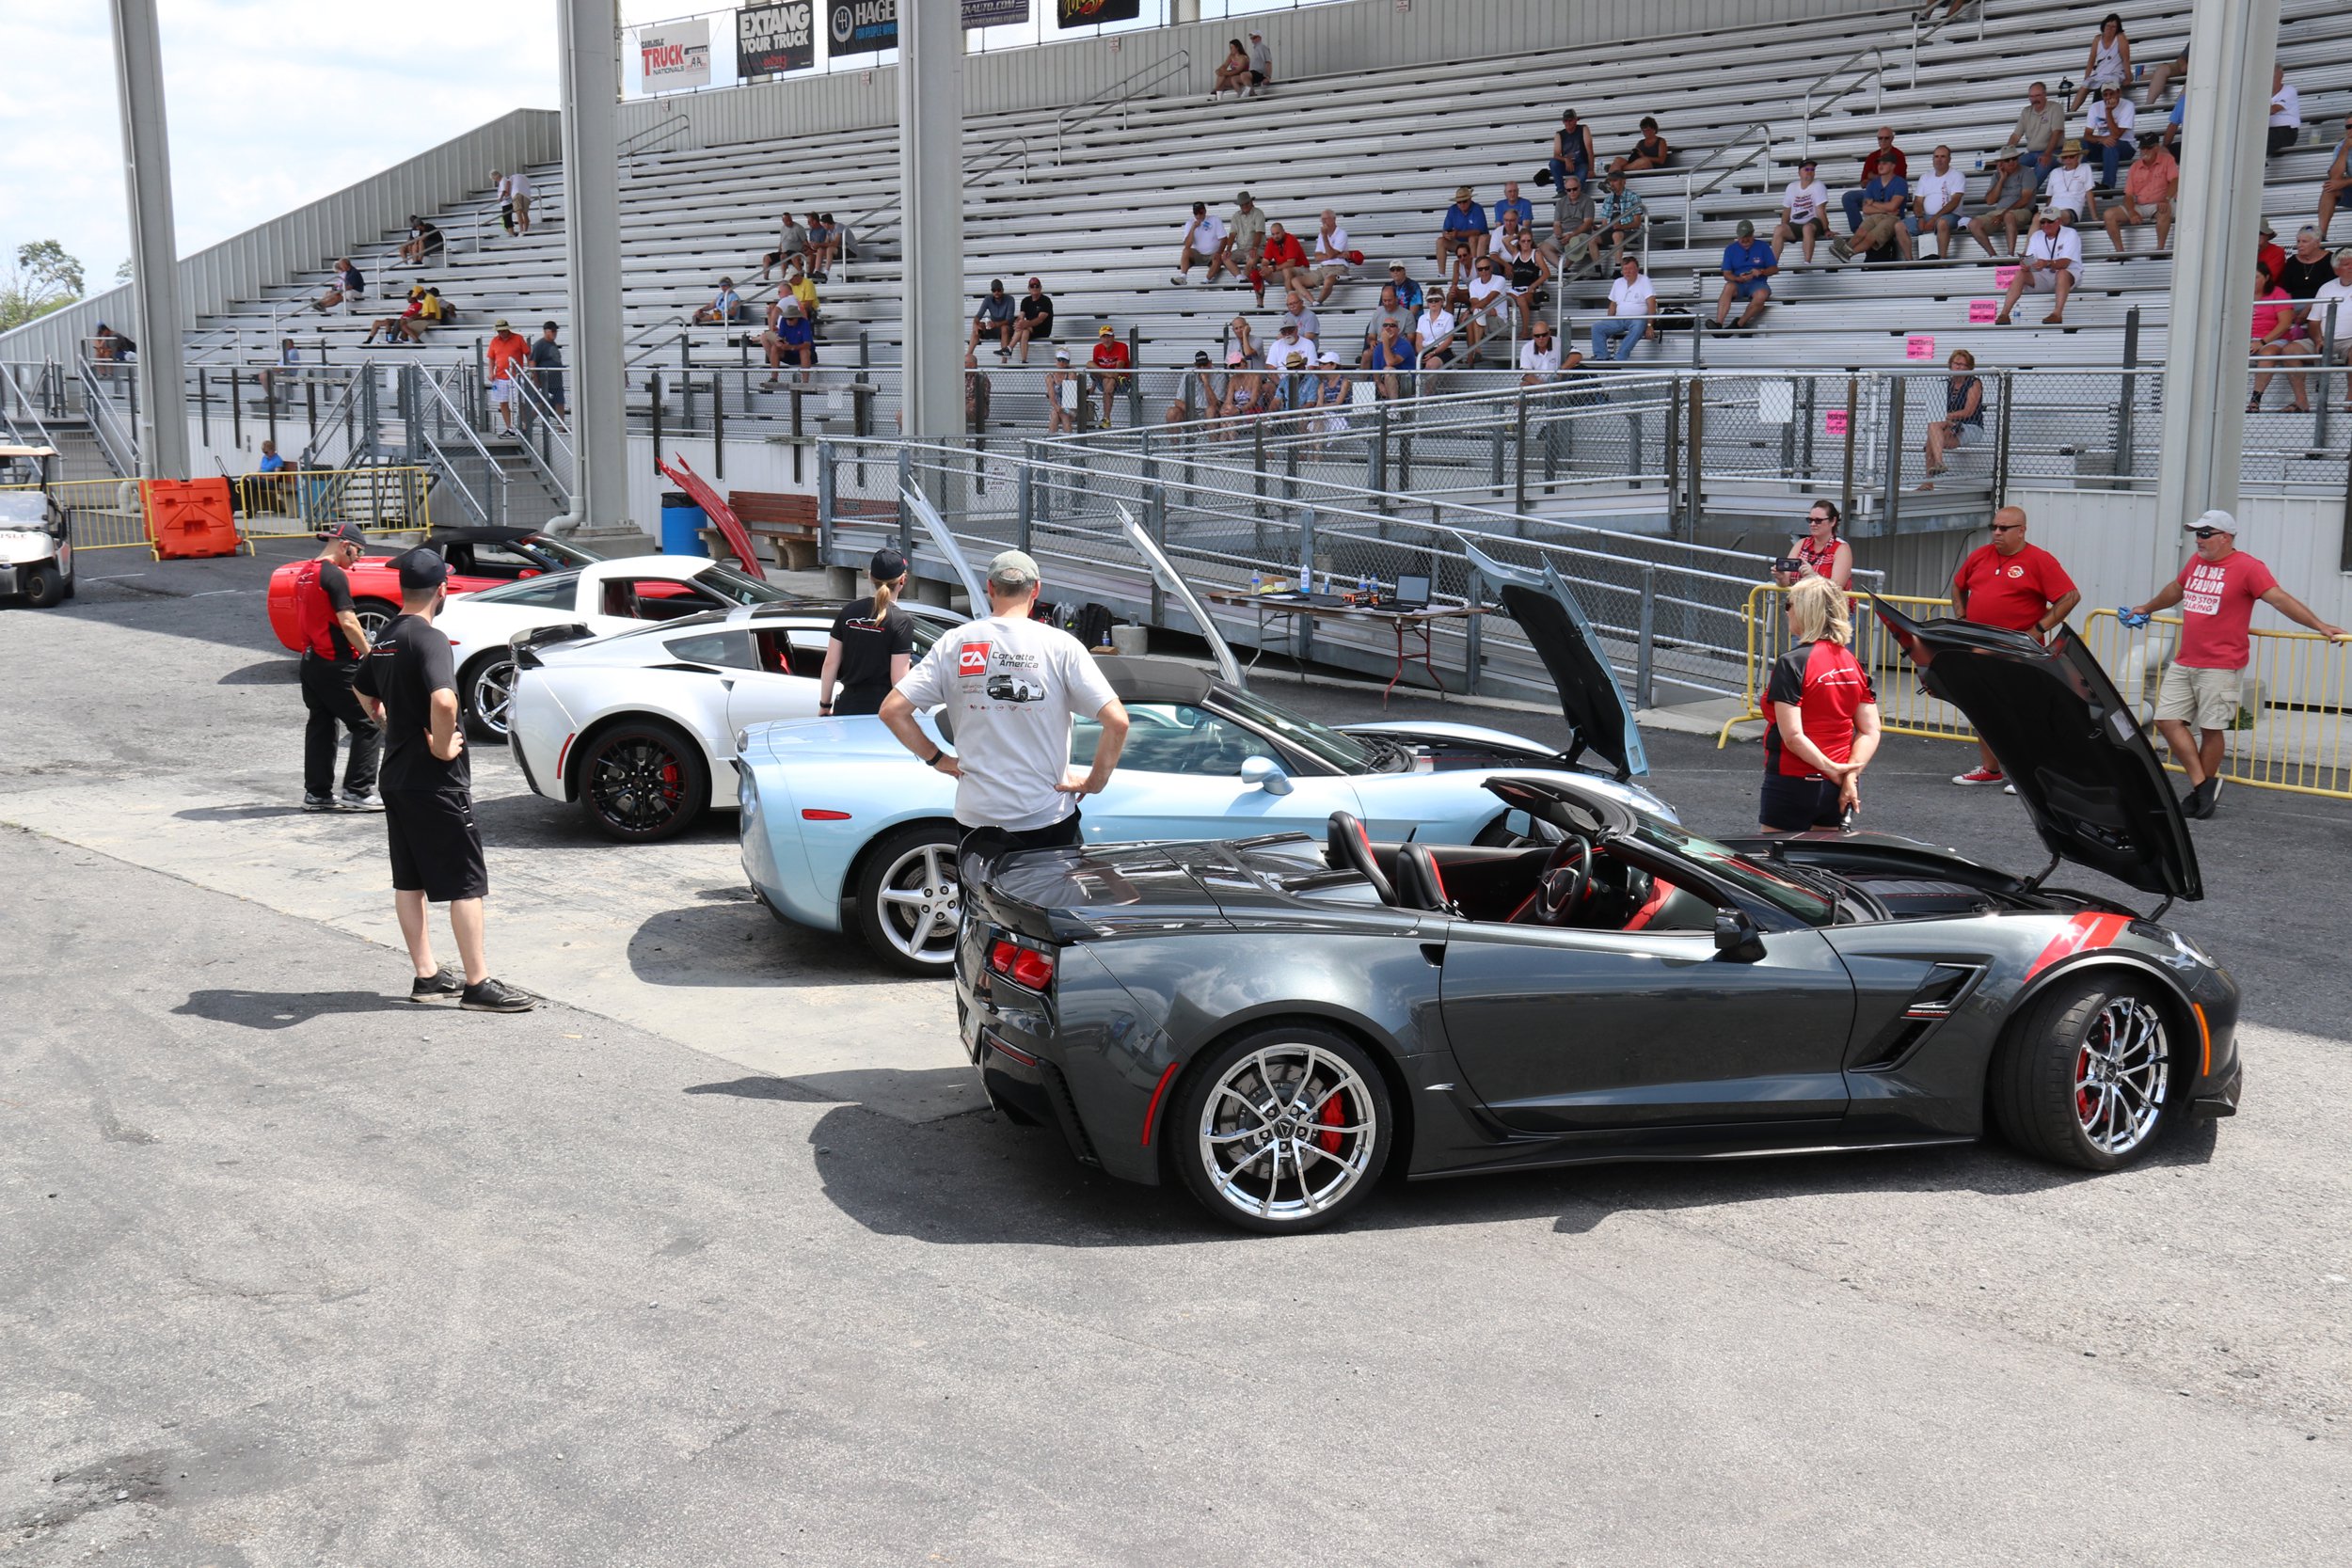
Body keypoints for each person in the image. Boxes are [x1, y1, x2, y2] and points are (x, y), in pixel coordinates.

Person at [354, 548, 532, 1011]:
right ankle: (477, 984)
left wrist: (384, 720)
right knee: (465, 882)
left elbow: (361, 687)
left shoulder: (388, 635)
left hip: (395, 776)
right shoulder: (429, 638)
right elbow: (447, 702)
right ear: (442, 590)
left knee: (409, 881)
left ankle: (427, 975)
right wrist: (437, 744)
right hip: (435, 781)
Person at [881, 549, 1131, 859]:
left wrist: (939, 760)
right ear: (1036, 590)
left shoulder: (955, 642)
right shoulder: (1061, 645)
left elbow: (892, 710)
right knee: (1049, 906)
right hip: (1046, 816)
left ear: (990, 588)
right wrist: (1094, 783)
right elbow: (1117, 721)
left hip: (978, 818)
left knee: (982, 906)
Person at [2125, 511, 2347, 817]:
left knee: (2211, 728)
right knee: (2167, 721)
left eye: (2205, 534)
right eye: (2197, 533)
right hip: (2186, 659)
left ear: (2225, 538)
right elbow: (2176, 589)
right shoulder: (2195, 563)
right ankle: (2203, 784)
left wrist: (2319, 625)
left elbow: (2280, 599)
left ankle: (2199, 794)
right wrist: (2147, 607)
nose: (2198, 539)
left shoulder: (2248, 568)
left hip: (2221, 664)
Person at [1947, 506, 2079, 786]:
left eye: (2004, 528)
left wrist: (2036, 630)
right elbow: (1958, 586)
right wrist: (1962, 619)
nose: (1996, 532)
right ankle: (1990, 769)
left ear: (2021, 530)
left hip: (2019, 652)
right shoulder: (1980, 555)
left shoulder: (2039, 560)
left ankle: (2032, 774)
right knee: (1981, 706)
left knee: (2022, 712)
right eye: (1994, 527)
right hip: (1981, 649)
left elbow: (2069, 596)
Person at [1759, 576, 1881, 832]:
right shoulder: (1852, 662)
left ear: (1805, 611)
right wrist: (1848, 776)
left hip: (1793, 780)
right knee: (1824, 865)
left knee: (1773, 865)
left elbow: (1792, 735)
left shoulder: (1792, 663)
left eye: (1789, 605)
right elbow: (1871, 730)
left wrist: (1835, 771)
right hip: (1839, 783)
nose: (1787, 612)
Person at [292, 521, 382, 813]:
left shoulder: (306, 573)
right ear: (345, 545)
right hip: (335, 662)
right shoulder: (334, 575)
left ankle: (317, 794)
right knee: (368, 723)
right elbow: (347, 621)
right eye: (358, 552)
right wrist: (369, 654)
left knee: (321, 723)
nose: (358, 559)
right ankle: (357, 791)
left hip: (311, 661)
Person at [819, 549, 914, 720]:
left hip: (847, 706)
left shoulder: (849, 611)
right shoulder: (901, 621)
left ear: (870, 577)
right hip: (882, 711)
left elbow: (830, 664)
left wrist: (825, 705)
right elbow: (899, 680)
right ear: (903, 580)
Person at [2247, 261, 2313, 414]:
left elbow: (2285, 324)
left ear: (2267, 277)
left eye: (2256, 277)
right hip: (2246, 338)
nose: (2252, 280)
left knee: (2267, 354)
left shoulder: (2278, 293)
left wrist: (2262, 342)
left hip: (2272, 338)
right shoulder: (2241, 294)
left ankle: (2255, 400)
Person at [1994, 208, 2080, 325]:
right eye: (2042, 222)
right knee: (2020, 273)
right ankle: (2004, 314)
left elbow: (2065, 263)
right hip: (2044, 274)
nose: (2045, 225)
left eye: (2050, 221)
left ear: (2059, 221)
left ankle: (2057, 314)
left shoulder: (2070, 233)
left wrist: (2047, 263)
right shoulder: (2036, 236)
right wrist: (2026, 265)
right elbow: (2030, 260)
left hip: (2068, 274)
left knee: (2062, 273)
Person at [2103, 133, 2179, 255]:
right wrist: (2132, 212)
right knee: (2109, 214)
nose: (2144, 151)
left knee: (2165, 210)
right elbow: (2128, 195)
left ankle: (2160, 250)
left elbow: (2175, 181)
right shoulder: (2135, 166)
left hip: (2161, 202)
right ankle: (2120, 253)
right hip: (2140, 204)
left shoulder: (2168, 160)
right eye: (2143, 148)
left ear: (2156, 148)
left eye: (2148, 148)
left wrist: (2166, 199)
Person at [1919, 349, 1984, 491]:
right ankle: (1937, 466)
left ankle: (1930, 479)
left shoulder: (1974, 383)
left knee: (1932, 435)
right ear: (1950, 364)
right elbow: (1934, 409)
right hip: (1947, 425)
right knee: (1934, 430)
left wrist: (1947, 417)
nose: (1959, 367)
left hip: (1971, 426)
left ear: (1969, 368)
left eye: (1963, 365)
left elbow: (1968, 412)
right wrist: (1944, 418)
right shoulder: (1943, 384)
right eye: (1956, 364)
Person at [1833, 160, 1911, 263]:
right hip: (1878, 215)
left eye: (1884, 163)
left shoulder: (1900, 182)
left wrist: (1873, 203)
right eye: (1879, 164)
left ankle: (1848, 254)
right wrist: (1886, 210)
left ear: (1892, 166)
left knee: (1871, 236)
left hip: (1893, 218)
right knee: (1860, 231)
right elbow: (1866, 209)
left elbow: (1893, 206)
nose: (1880, 166)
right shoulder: (1873, 184)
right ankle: (1844, 250)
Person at [1968, 148, 2035, 258]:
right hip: (1999, 212)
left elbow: (2025, 199)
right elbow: (1990, 201)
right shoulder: (1997, 176)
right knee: (1973, 224)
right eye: (2007, 160)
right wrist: (2002, 179)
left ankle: (2010, 255)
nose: (2012, 162)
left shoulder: (2027, 172)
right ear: (2001, 163)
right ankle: (1993, 256)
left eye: (2014, 159)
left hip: (2022, 211)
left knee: (2008, 216)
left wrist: (2003, 214)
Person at [1772, 499, 1852, 591]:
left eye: (1818, 521)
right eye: (1810, 520)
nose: (1813, 524)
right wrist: (1781, 577)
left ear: (1833, 521)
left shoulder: (1841, 548)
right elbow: (1785, 582)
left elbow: (1837, 587)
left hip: (1827, 605)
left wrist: (1814, 577)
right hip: (1799, 603)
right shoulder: (1801, 544)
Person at [1841, 127, 1909, 236]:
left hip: (1891, 193)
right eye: (1880, 138)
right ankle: (1858, 230)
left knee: (1891, 200)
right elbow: (1863, 182)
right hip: (1873, 192)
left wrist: (1873, 177)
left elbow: (1896, 180)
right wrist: (1880, 178)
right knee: (1848, 197)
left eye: (1886, 138)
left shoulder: (1898, 155)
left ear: (1892, 139)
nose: (1882, 141)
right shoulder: (1872, 156)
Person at [1590, 254, 1656, 363]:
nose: (1627, 271)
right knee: (1597, 327)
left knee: (1638, 325)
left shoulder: (1644, 280)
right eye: (1625, 269)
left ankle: (1620, 358)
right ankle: (1601, 357)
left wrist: (1649, 325)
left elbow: (1652, 303)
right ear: (1621, 270)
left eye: (1630, 268)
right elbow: (1613, 304)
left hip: (1638, 319)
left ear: (1637, 269)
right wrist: (1608, 320)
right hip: (1620, 319)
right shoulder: (1618, 282)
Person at [1713, 218, 1777, 328]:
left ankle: (1739, 323)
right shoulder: (1730, 249)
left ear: (1752, 234)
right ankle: (1719, 323)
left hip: (1757, 282)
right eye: (1742, 237)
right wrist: (1738, 279)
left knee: (1761, 295)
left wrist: (1761, 271)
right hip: (1738, 283)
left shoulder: (1763, 247)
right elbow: (1727, 274)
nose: (1745, 240)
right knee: (1728, 286)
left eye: (1747, 237)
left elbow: (1774, 269)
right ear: (1738, 236)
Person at [1908, 145, 1967, 259]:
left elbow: (1954, 202)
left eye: (1943, 156)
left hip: (1951, 216)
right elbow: (1918, 201)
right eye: (1936, 156)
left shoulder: (1957, 175)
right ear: (1932, 159)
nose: (1939, 160)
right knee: (1899, 226)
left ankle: (1942, 260)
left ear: (1949, 159)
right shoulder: (1925, 176)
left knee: (1942, 223)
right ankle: (1908, 262)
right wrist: (1920, 218)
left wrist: (1934, 219)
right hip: (1926, 217)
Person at [2069, 12, 2132, 112]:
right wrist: (2087, 76)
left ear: (2117, 29)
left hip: (2115, 73)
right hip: (2100, 73)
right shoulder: (2097, 39)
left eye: (2113, 27)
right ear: (2104, 25)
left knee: (2107, 87)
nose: (2110, 28)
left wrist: (2128, 77)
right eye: (2108, 25)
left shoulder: (2120, 38)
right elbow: (2091, 60)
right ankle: (2071, 112)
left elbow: (2126, 59)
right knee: (2085, 86)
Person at [2314, 249, 2352, 411]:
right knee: (2291, 350)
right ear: (2336, 270)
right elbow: (2313, 321)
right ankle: (2302, 402)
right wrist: (2318, 340)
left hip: (2349, 341)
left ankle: (2350, 399)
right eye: (2346, 264)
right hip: (2324, 338)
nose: (2351, 267)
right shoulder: (2326, 288)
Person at [2010, 81, 2065, 192]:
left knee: (2043, 164)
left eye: (2038, 95)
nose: (2035, 99)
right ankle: (2012, 195)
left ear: (2045, 95)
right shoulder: (2026, 112)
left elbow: (2056, 133)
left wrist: (2047, 154)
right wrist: (2006, 155)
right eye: (2031, 96)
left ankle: (2026, 196)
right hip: (2032, 153)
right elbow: (2016, 136)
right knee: (2009, 165)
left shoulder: (2055, 108)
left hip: (2055, 152)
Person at [1774, 159, 1832, 263]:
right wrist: (1784, 227)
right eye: (1806, 169)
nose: (1810, 171)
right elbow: (1787, 210)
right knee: (1779, 229)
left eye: (1812, 169)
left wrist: (1826, 229)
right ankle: (1773, 264)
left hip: (1813, 221)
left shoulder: (1818, 185)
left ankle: (1807, 263)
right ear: (1799, 172)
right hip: (1795, 224)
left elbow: (1820, 211)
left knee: (1807, 228)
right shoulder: (1791, 187)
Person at [1594, 161, 1647, 267]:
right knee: (1592, 239)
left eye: (1615, 180)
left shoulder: (1633, 197)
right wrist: (1597, 228)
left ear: (1623, 182)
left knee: (1617, 234)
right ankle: (1597, 269)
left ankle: (1618, 267)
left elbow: (1637, 223)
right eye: (1610, 181)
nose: (1612, 184)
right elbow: (1605, 224)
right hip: (1612, 231)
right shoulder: (1608, 199)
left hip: (1630, 232)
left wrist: (1621, 226)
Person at [2085, 83, 2137, 191]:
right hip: (2104, 145)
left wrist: (2108, 111)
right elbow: (2087, 135)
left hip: (2125, 146)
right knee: (2081, 145)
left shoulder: (2128, 105)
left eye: (2111, 94)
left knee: (2111, 145)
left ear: (2118, 92)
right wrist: (2101, 139)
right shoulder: (2095, 107)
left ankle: (2107, 186)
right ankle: (2081, 183)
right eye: (2105, 95)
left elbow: (2116, 135)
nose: (2108, 97)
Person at [1498, 230, 1550, 334]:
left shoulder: (1536, 254)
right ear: (1519, 242)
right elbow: (1505, 240)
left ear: (1532, 241)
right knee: (1501, 298)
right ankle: (1504, 330)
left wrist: (1534, 285)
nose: (1526, 243)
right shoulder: (1516, 253)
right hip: (1515, 290)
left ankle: (1525, 330)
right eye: (1523, 241)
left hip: (1529, 290)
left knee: (1521, 300)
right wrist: (1517, 236)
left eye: (1528, 241)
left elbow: (1546, 273)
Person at [1436, 186, 1490, 286]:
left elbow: (1478, 231)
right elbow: (1445, 229)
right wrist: (1447, 235)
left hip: (1476, 242)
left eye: (1464, 201)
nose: (1462, 204)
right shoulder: (1452, 210)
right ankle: (1441, 274)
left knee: (1472, 239)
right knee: (1440, 241)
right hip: (1460, 243)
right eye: (1459, 202)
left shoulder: (1477, 208)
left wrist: (1457, 234)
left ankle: (1474, 273)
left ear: (1470, 199)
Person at [759, 298, 818, 388]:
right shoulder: (783, 321)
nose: (788, 321)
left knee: (804, 351)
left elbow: (807, 344)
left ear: (797, 318)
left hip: (802, 352)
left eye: (791, 319)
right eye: (787, 318)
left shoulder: (804, 323)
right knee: (775, 347)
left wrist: (790, 347)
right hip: (790, 351)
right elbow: (780, 337)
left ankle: (805, 382)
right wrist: (779, 342)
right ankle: (774, 378)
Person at [1548, 174, 1598, 277]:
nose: (1572, 192)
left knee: (1576, 242)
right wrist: (1559, 235)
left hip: (1580, 232)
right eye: (1569, 190)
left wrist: (1571, 235)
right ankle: (1562, 268)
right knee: (1543, 247)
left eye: (1574, 189)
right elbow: (1556, 224)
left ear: (1580, 188)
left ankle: (1564, 268)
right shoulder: (1560, 203)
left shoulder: (1588, 201)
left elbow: (1587, 224)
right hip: (1564, 232)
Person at [485, 319, 531, 435]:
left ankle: (524, 425)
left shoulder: (518, 338)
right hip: (500, 376)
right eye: (499, 331)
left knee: (520, 401)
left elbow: (528, 354)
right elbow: (491, 358)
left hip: (515, 376)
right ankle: (509, 427)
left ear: (507, 329)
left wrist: (529, 369)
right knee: (503, 402)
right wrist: (491, 372)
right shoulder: (494, 341)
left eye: (503, 331)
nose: (501, 333)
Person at [2041, 141, 2099, 226]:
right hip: (2052, 211)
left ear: (2078, 157)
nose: (2068, 160)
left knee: (2055, 217)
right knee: (2036, 219)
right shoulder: (2054, 172)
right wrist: (2045, 212)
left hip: (2071, 209)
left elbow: (2089, 193)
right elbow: (2050, 197)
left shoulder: (2085, 168)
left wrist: (2095, 218)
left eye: (2071, 156)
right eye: (2065, 157)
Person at [1172, 199, 1230, 285]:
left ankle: (1206, 280)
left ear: (1205, 211)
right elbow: (1187, 245)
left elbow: (1224, 239)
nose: (1198, 216)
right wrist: (1193, 229)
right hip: (1198, 254)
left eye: (1201, 213)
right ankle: (1183, 276)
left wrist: (1219, 252)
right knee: (1185, 251)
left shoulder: (1214, 219)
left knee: (1218, 257)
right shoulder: (1190, 223)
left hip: (1212, 254)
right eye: (1196, 213)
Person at [1304, 210, 1353, 303]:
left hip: (1338, 267)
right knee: (1296, 281)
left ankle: (1318, 302)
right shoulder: (1321, 235)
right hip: (1324, 268)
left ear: (1334, 219)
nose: (1323, 222)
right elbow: (1317, 257)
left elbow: (1330, 254)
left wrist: (1325, 237)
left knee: (1328, 281)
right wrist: (1336, 255)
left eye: (1326, 219)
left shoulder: (1341, 233)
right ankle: (1313, 301)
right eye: (1322, 219)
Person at [1360, 317, 1415, 400]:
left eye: (1392, 325)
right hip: (1385, 380)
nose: (1388, 328)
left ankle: (1394, 409)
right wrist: (1379, 385)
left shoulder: (1405, 345)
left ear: (1398, 330)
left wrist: (1385, 341)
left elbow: (1390, 362)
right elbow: (1376, 371)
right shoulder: (1378, 348)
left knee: (1388, 369)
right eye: (1385, 325)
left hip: (1406, 383)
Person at [1089, 324, 1131, 429]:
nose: (1106, 339)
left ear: (1113, 337)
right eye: (1104, 336)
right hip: (1105, 380)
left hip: (1122, 382)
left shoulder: (1122, 346)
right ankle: (1106, 419)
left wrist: (1109, 376)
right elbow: (1094, 367)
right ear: (1100, 338)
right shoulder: (1097, 348)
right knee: (1089, 364)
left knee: (1109, 381)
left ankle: (1106, 417)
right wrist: (1092, 388)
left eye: (1108, 336)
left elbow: (1118, 369)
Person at [1257, 221, 1309, 305]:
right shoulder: (1271, 241)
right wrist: (1264, 268)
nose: (1275, 236)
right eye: (1273, 234)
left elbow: (1291, 263)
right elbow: (1265, 260)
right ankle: (1260, 305)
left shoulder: (1291, 239)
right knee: (1257, 273)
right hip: (1284, 271)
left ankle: (1291, 301)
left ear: (1283, 231)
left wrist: (1272, 268)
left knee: (1286, 270)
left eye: (1278, 233)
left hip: (1302, 269)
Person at [1549, 108, 1597, 193]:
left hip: (1581, 164)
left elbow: (1590, 151)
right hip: (1567, 165)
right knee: (1553, 163)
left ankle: (1576, 193)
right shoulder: (1559, 134)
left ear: (1575, 120)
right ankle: (1560, 191)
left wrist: (1591, 169)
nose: (1568, 123)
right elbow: (1556, 155)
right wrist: (1566, 160)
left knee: (1583, 170)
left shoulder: (1583, 129)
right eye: (1565, 121)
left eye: (1570, 120)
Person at [362, 287, 428, 346]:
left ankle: (390, 339)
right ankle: (368, 341)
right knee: (378, 322)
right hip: (401, 319)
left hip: (406, 321)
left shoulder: (420, 305)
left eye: (408, 297)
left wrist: (412, 318)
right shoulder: (411, 305)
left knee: (391, 322)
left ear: (413, 297)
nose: (407, 298)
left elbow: (421, 314)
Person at [1009, 277, 1054, 364]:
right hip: (1030, 328)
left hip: (1043, 329)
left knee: (1024, 328)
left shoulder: (1046, 301)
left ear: (1040, 287)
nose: (1035, 288)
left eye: (1037, 286)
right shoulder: (1025, 301)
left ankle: (1009, 348)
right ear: (1029, 288)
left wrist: (1026, 323)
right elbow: (1021, 316)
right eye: (1032, 286)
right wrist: (1018, 322)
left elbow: (1040, 319)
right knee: (1024, 330)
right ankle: (1024, 360)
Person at [1227, 191, 1267, 284]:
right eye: (1242, 205)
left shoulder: (1258, 213)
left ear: (1251, 202)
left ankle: (1244, 280)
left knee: (1251, 257)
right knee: (1225, 257)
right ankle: (1240, 278)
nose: (1244, 206)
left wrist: (1254, 248)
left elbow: (1259, 232)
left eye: (1246, 203)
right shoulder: (1236, 216)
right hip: (1241, 249)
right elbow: (1232, 234)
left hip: (1257, 247)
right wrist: (1228, 249)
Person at [968, 278, 1016, 357]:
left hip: (1006, 328)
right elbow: (978, 315)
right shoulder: (988, 299)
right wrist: (975, 324)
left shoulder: (1010, 299)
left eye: (998, 290)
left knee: (1004, 328)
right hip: (993, 327)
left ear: (1002, 290)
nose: (996, 292)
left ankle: (1004, 360)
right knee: (978, 326)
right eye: (994, 290)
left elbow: (1009, 319)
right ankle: (968, 356)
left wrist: (996, 324)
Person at [760, 212, 811, 281]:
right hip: (784, 251)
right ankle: (765, 279)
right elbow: (782, 242)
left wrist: (805, 252)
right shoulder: (782, 228)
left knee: (783, 256)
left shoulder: (798, 228)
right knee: (766, 257)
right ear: (783, 221)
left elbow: (805, 242)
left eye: (790, 220)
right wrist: (778, 251)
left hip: (795, 252)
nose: (789, 222)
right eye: (787, 221)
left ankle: (784, 277)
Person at [1411, 295, 1457, 372]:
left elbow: (1448, 341)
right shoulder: (1422, 318)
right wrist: (1421, 355)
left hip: (1442, 351)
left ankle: (1422, 383)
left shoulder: (1448, 317)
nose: (1433, 303)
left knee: (1431, 365)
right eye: (1430, 300)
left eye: (1436, 300)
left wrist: (1433, 353)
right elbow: (1419, 341)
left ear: (1442, 301)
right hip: (1424, 351)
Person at [530, 322, 566, 417]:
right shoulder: (540, 344)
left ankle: (561, 427)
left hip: (556, 381)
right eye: (552, 331)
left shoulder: (553, 343)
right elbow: (533, 362)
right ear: (546, 331)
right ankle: (527, 423)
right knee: (541, 403)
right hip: (545, 381)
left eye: (556, 331)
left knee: (560, 403)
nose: (555, 333)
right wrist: (536, 379)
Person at [2267, 64, 2300, 158]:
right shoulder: (2264, 92)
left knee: (2261, 140)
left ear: (2281, 75)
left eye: (2273, 75)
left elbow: (2273, 109)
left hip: (2286, 132)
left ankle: (2257, 163)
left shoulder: (2289, 90)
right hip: (2269, 131)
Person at [1045, 347, 1080, 435]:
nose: (1061, 362)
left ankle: (1063, 443)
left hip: (1071, 409)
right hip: (1057, 407)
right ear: (1056, 360)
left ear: (1068, 362)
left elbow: (1070, 400)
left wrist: (1061, 409)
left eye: (1064, 360)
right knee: (1055, 414)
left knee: (1064, 414)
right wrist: (1058, 408)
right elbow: (1052, 400)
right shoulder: (1050, 376)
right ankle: (1055, 443)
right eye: (1059, 360)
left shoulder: (1071, 374)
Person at [1518, 317, 1563, 385]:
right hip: (1537, 384)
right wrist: (1540, 385)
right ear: (1533, 336)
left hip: (1558, 382)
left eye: (1544, 335)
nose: (1541, 338)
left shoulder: (1559, 343)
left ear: (1549, 333)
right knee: (1523, 385)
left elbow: (1577, 355)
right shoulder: (1526, 348)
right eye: (1537, 336)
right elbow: (1525, 374)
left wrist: (1561, 369)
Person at [259, 336, 301, 405]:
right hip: (282, 372)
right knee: (264, 374)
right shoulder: (288, 352)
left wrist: (272, 370)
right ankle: (271, 395)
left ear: (291, 343)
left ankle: (272, 396)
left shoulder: (292, 353)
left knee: (264, 376)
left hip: (287, 373)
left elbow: (284, 367)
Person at [1209, 38, 1249, 102]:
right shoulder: (1231, 56)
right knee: (1221, 76)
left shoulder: (1243, 58)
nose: (1231, 49)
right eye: (1230, 47)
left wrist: (1224, 73)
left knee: (1223, 76)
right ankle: (1218, 98)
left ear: (1237, 48)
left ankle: (1217, 92)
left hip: (1240, 77)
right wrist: (1219, 70)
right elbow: (1225, 65)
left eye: (1232, 47)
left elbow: (1238, 71)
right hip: (1232, 75)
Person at [499, 166, 534, 237]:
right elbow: (529, 185)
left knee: (518, 213)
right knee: (525, 214)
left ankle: (521, 231)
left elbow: (507, 190)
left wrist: (504, 196)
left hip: (516, 193)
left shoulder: (510, 178)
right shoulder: (524, 177)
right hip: (527, 194)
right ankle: (525, 230)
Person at [964, 351, 992, 433]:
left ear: (972, 365)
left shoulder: (981, 376)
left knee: (967, 409)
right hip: (964, 405)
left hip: (978, 408)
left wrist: (966, 406)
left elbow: (980, 397)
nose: (962, 364)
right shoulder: (962, 376)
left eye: (965, 362)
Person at [1245, 31, 1273, 95]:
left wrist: (1268, 77)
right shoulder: (1256, 49)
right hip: (1254, 73)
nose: (1252, 40)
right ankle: (1242, 94)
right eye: (1251, 38)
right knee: (1235, 79)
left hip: (1259, 73)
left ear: (1259, 38)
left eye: (1254, 37)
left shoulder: (1262, 47)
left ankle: (1252, 94)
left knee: (1244, 75)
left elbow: (1268, 62)